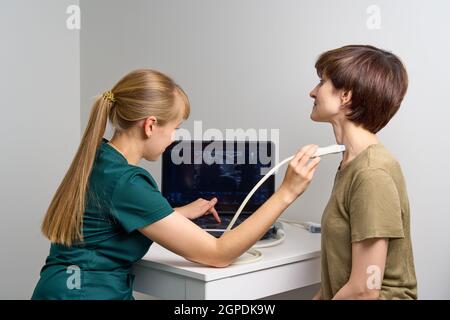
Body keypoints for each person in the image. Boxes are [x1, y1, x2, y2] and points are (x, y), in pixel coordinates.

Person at [32, 69, 321, 299]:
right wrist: (287, 192)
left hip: (60, 287)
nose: (174, 139)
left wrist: (179, 213)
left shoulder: (102, 159)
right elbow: (218, 255)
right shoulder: (128, 182)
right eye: (175, 128)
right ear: (150, 125)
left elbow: (113, 218)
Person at [309, 45, 417, 300]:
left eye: (321, 82)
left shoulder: (371, 173)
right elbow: (340, 279)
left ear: (345, 95)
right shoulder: (351, 163)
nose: (312, 92)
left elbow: (365, 291)